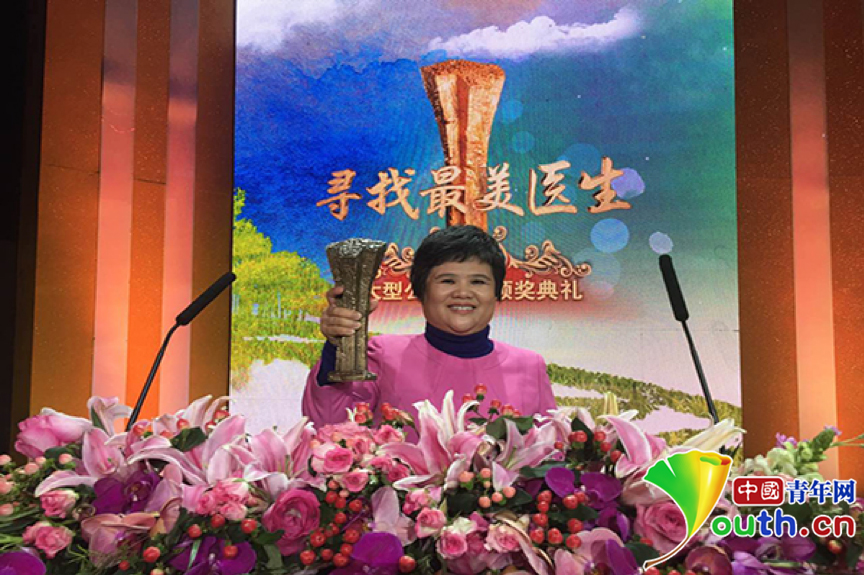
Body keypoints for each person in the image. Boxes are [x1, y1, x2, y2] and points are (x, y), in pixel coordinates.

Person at [301, 225, 556, 427]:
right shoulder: (382, 354)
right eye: (447, 281)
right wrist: (337, 345)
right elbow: (331, 425)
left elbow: (549, 453)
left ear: (497, 293)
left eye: (478, 282)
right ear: (421, 290)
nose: (463, 293)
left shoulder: (529, 366)